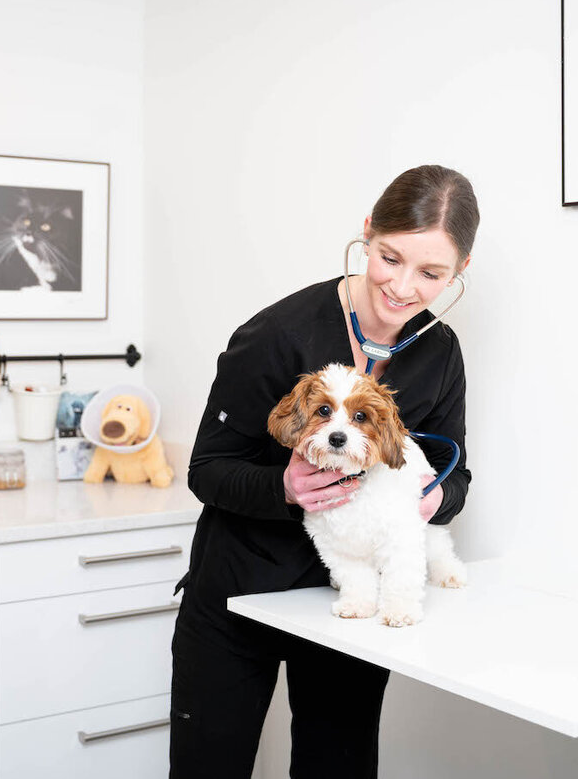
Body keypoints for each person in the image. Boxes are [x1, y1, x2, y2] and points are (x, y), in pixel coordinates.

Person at [170, 165, 479, 778]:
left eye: (431, 273)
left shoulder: (438, 352)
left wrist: (428, 500)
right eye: (389, 258)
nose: (403, 287)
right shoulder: (276, 336)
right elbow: (206, 470)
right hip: (241, 593)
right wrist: (284, 487)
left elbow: (457, 475)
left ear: (458, 272)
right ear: (366, 234)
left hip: (349, 606)